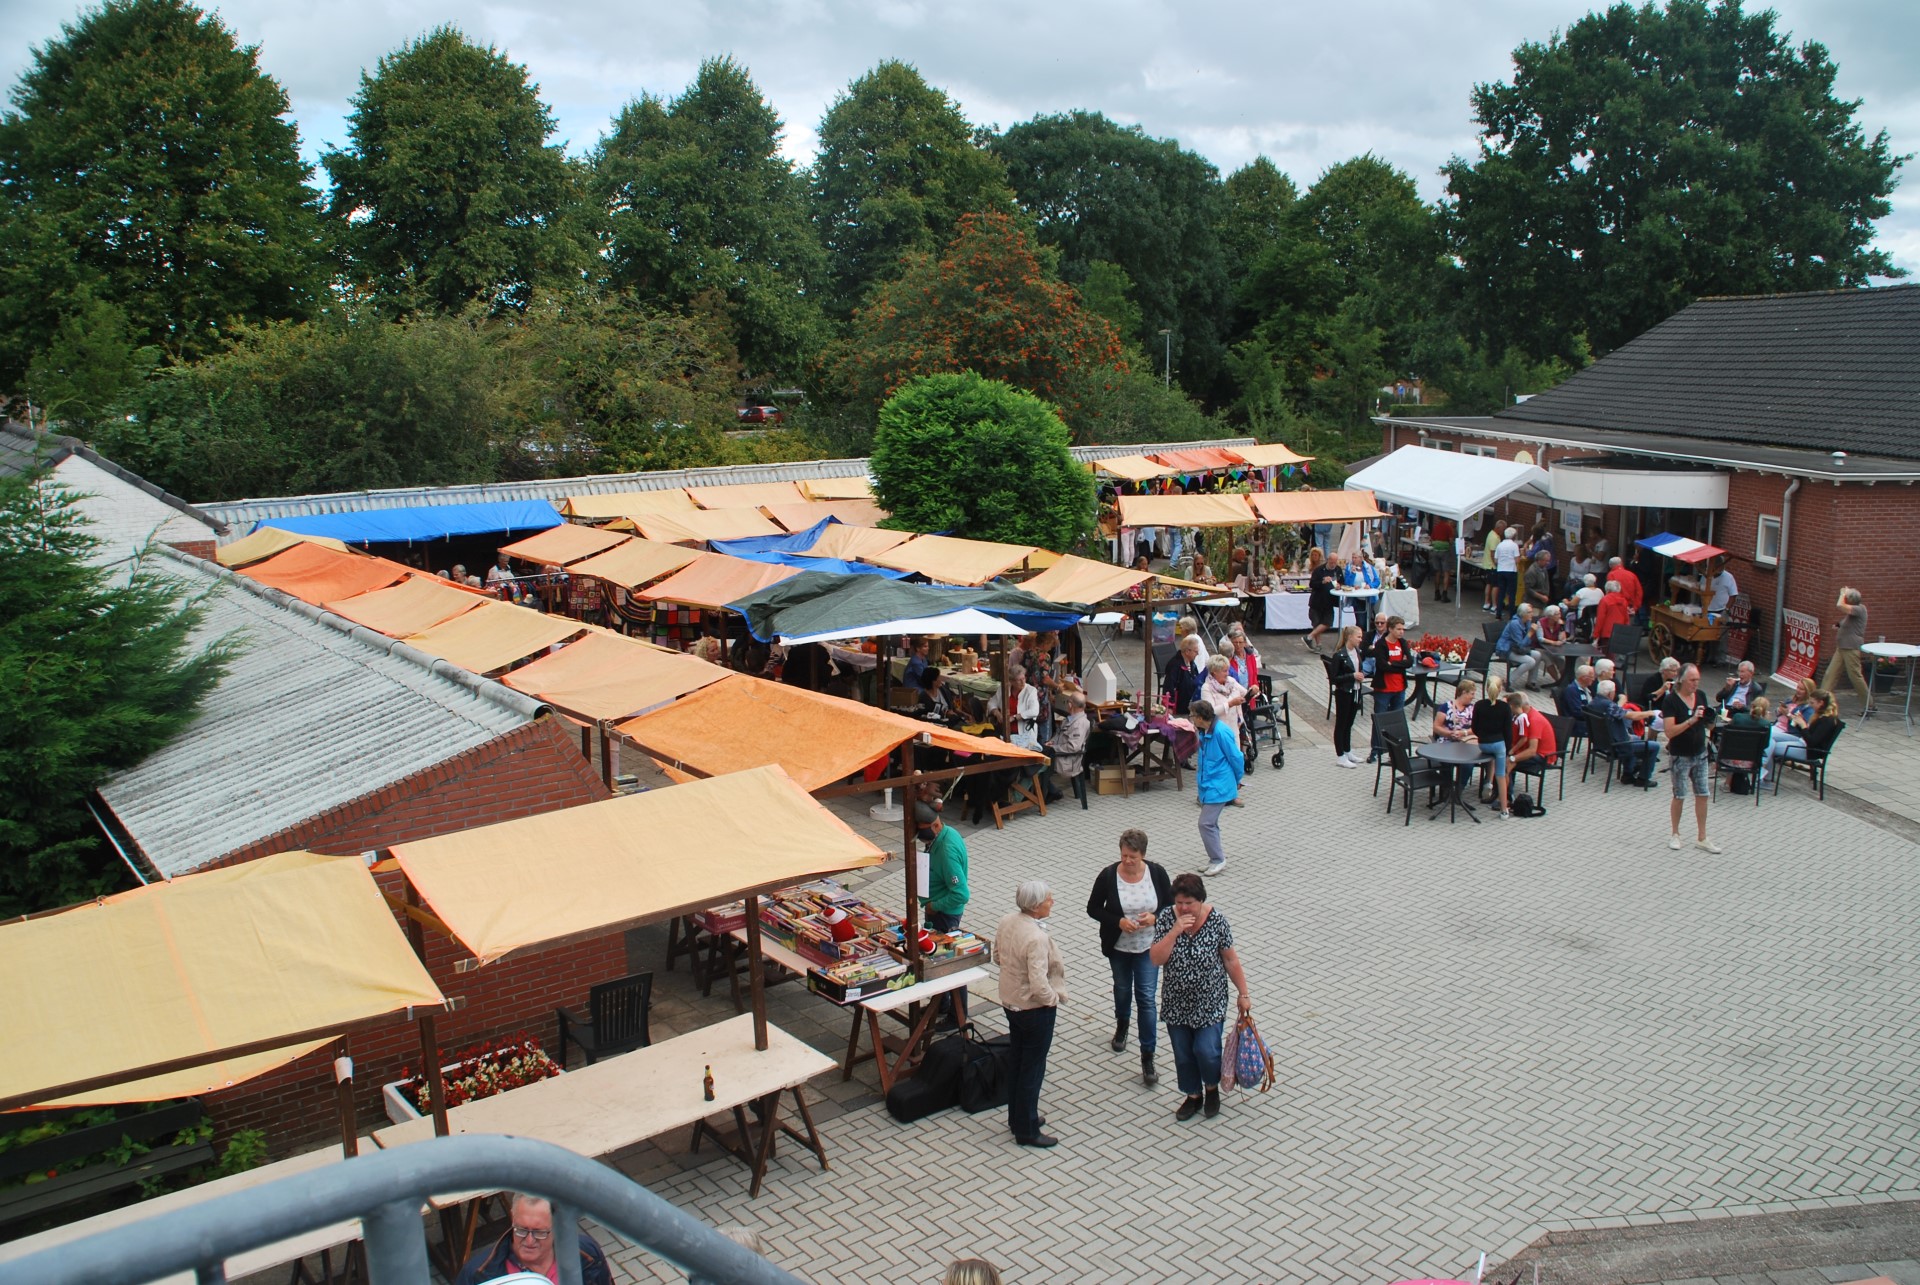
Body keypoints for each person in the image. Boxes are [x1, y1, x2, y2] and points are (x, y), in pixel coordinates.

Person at [1149, 872, 1252, 1122]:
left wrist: (1244, 993)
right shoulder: (1167, 919)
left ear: (1201, 900)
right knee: (1183, 1053)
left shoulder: (1217, 921)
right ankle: (1193, 1095)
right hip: (1176, 1002)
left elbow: (1230, 959)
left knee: (1206, 1050)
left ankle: (1211, 1088)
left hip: (1210, 1001)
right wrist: (1174, 932)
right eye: (1179, 903)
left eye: (1189, 903)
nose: (1184, 908)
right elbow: (1156, 959)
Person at [1085, 829, 1173, 1087]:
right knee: (1122, 988)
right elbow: (1093, 908)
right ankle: (1122, 1024)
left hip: (1148, 947)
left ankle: (1148, 1056)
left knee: (1146, 998)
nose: (1127, 861)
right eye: (1124, 855)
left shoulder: (1156, 873)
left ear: (1142, 854)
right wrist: (1118, 922)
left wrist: (1155, 917)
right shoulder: (1108, 875)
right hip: (1119, 947)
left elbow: (1171, 906)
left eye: (1133, 857)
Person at [996, 881, 1066, 1148]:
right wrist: (1052, 999)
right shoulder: (1036, 938)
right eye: (1049, 899)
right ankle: (1026, 1130)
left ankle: (1018, 1118)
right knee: (1032, 1069)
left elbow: (997, 957)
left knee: (1018, 1060)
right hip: (1033, 1010)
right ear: (1036, 906)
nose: (1052, 902)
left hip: (1010, 1003)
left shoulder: (1007, 921)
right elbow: (1039, 984)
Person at [454, 1193, 614, 1285]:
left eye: (539, 1233)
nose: (529, 1241)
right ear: (513, 1217)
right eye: (521, 1230)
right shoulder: (476, 1274)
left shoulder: (586, 1253)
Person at [1660, 663, 1717, 853]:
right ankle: (1675, 834)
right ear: (1682, 680)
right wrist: (1691, 720)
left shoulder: (1700, 696)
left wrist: (1711, 720)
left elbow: (1708, 725)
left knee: (1703, 794)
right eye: (1692, 680)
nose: (1695, 683)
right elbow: (1669, 732)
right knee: (1680, 795)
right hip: (1680, 755)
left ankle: (1702, 837)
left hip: (1700, 753)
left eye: (1698, 680)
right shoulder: (1671, 701)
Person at [1189, 701, 1243, 875]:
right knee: (1210, 823)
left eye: (1192, 715)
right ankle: (1214, 858)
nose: (1191, 718)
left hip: (1219, 785)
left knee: (1205, 823)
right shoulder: (1204, 731)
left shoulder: (1221, 732)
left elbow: (1236, 757)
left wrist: (1237, 779)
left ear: (1200, 717)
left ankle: (1218, 860)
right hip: (1209, 784)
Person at [1762, 689, 1840, 784]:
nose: (1810, 705)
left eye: (1812, 703)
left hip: (1809, 751)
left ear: (1821, 703)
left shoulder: (1827, 720)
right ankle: (1764, 774)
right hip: (1802, 742)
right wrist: (1797, 721)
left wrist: (1803, 725)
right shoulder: (1819, 715)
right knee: (1769, 735)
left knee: (1769, 746)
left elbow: (1812, 742)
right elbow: (1806, 733)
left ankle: (1765, 777)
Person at [1590, 679, 1659, 785]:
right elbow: (1632, 716)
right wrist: (1649, 713)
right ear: (1610, 694)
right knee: (1654, 746)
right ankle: (1643, 779)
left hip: (1601, 742)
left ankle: (1628, 773)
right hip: (1617, 745)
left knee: (1635, 738)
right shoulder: (1608, 705)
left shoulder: (1593, 702)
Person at [1367, 616, 1413, 765]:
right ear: (1391, 629)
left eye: (1403, 629)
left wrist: (1393, 664)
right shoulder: (1381, 644)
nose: (1401, 632)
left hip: (1399, 688)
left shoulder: (1402, 643)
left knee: (1396, 721)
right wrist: (1399, 664)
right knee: (1379, 719)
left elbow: (1409, 662)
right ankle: (1375, 750)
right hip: (1383, 689)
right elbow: (1382, 666)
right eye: (1398, 629)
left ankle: (1395, 753)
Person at [1431, 678, 1482, 801]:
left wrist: (1464, 732)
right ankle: (1446, 787)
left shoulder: (1473, 709)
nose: (1473, 697)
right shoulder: (1446, 706)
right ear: (1463, 692)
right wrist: (1449, 734)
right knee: (1446, 761)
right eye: (1472, 694)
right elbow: (1436, 726)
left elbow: (1478, 728)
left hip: (1466, 743)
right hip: (1447, 741)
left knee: (1468, 764)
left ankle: (1459, 789)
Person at [1823, 588, 1872, 712]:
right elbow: (1847, 622)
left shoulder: (1860, 609)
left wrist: (1842, 593)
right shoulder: (1852, 613)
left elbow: (1840, 605)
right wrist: (1838, 625)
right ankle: (1822, 701)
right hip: (1841, 647)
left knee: (1855, 676)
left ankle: (1869, 705)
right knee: (1830, 674)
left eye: (1846, 598)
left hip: (1851, 648)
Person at [1505, 691, 1558, 805]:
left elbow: (1532, 751)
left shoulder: (1534, 720)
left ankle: (1507, 798)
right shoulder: (1522, 716)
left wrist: (1513, 758)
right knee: (1501, 757)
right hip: (1530, 751)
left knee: (1506, 763)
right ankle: (1500, 791)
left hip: (1542, 756)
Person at [1472, 674, 1512, 815]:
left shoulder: (1479, 705)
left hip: (1483, 744)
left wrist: (1482, 737)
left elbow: (1474, 727)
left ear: (1486, 688)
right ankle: (1504, 809)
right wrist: (1507, 750)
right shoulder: (1505, 707)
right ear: (1500, 689)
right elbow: (1508, 732)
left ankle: (1488, 782)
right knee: (1501, 775)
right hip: (1499, 744)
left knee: (1491, 758)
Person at [1042, 691, 1089, 802]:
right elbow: (1059, 735)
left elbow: (1073, 747)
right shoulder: (1070, 718)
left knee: (1036, 765)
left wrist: (1053, 748)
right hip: (1060, 754)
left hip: (1067, 760)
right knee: (1036, 757)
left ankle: (1047, 794)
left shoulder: (1079, 724)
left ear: (1070, 705)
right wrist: (1051, 742)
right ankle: (1047, 793)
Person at [1330, 624, 1366, 768]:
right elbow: (1334, 678)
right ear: (1350, 637)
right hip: (1344, 692)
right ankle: (1340, 756)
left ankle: (1347, 750)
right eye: (1358, 637)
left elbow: (1359, 668)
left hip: (1356, 691)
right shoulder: (1339, 655)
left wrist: (1361, 675)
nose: (1360, 639)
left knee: (1350, 722)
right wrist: (1352, 676)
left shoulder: (1357, 652)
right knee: (1341, 723)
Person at [1496, 604, 1543, 691]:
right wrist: (1530, 633)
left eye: (1532, 612)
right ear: (1523, 614)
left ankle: (1531, 682)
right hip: (1506, 649)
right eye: (1529, 612)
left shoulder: (1527, 622)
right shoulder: (1515, 624)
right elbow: (1520, 644)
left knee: (1537, 655)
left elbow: (1527, 643)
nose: (1532, 614)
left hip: (1517, 649)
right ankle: (1508, 681)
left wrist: (1531, 634)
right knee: (1530, 661)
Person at [1162, 633, 1205, 715]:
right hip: (1179, 705)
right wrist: (1170, 706)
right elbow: (1169, 686)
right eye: (1196, 651)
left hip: (1189, 702)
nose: (1198, 654)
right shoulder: (1175, 665)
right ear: (1187, 651)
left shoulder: (1191, 663)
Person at [1305, 548, 1338, 652]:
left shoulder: (1338, 570)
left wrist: (1340, 585)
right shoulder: (1319, 570)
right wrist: (1322, 582)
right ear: (1328, 560)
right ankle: (1318, 645)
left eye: (1335, 562)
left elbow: (1342, 581)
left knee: (1328, 622)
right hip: (1317, 601)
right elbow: (1312, 584)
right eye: (1331, 562)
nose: (1333, 565)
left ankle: (1309, 637)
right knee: (1316, 623)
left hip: (1329, 601)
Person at [1344, 551, 1381, 637]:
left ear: (1361, 558)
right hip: (1357, 598)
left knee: (1367, 620)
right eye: (1352, 557)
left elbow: (1377, 581)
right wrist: (1352, 574)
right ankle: (1359, 638)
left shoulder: (1369, 568)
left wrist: (1370, 585)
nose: (1353, 559)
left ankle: (1365, 638)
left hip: (1369, 598)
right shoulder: (1349, 568)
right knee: (1360, 622)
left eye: (1355, 558)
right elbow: (1347, 583)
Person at [1593, 579, 1632, 650]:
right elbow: (1626, 618)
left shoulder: (1605, 600)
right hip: (1619, 631)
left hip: (1607, 633)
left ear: (1607, 589)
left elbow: (1600, 619)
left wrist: (1596, 634)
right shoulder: (1623, 600)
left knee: (1607, 653)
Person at [1492, 526, 1520, 617]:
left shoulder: (1500, 545)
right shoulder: (1514, 545)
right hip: (1511, 570)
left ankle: (1498, 613)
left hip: (1500, 570)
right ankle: (1511, 614)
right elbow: (1517, 560)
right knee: (1511, 594)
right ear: (1514, 536)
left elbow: (1496, 560)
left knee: (1501, 592)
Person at [1430, 515, 1457, 602]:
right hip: (1444, 551)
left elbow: (1432, 539)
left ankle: (1436, 593)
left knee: (1437, 572)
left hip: (1436, 551)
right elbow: (1451, 540)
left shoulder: (1436, 527)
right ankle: (1444, 594)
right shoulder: (1448, 527)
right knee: (1446, 573)